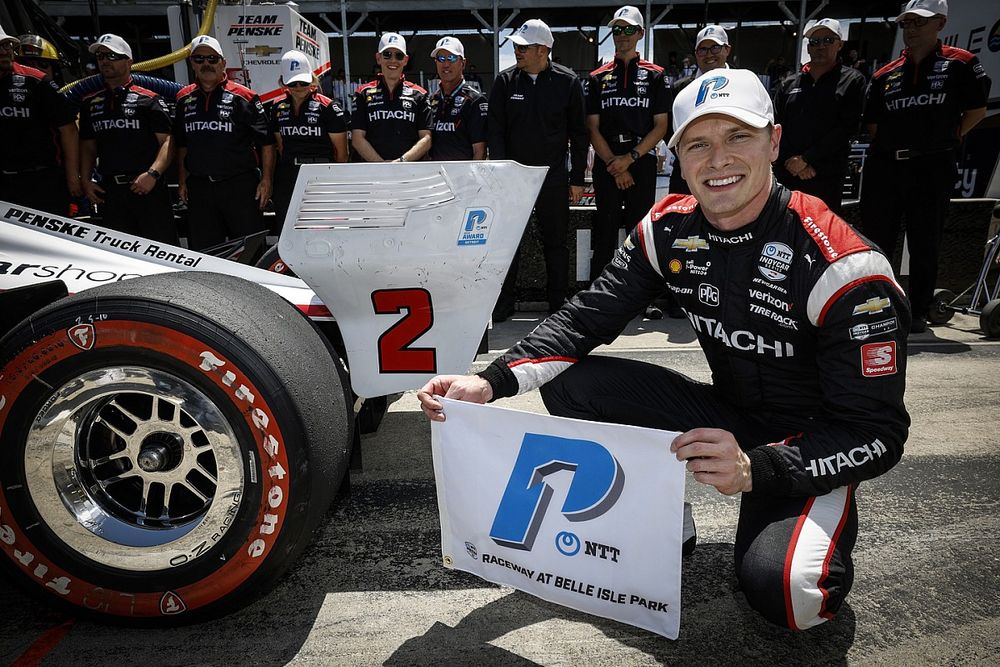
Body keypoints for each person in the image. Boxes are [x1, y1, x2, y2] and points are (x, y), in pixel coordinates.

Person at [418, 68, 911, 631]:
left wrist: (759, 468)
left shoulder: (846, 267)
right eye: (698, 144)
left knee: (790, 600)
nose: (718, 159)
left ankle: (802, 516)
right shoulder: (666, 229)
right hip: (725, 415)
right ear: (677, 156)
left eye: (738, 137)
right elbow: (585, 318)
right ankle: (662, 523)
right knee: (567, 379)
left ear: (774, 141)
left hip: (811, 441)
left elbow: (877, 433)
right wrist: (491, 381)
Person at [860, 0, 990, 334]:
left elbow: (976, 110)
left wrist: (945, 138)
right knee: (877, 241)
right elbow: (873, 124)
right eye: (907, 24)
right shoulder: (883, 74)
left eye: (920, 22)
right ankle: (878, 304)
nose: (912, 30)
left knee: (924, 241)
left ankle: (916, 311)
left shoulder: (961, 64)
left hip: (932, 166)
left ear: (940, 23)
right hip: (887, 167)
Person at [487, 19, 588, 320]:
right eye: (516, 46)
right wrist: (503, 174)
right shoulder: (504, 82)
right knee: (509, 244)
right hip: (514, 178)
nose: (517, 50)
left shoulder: (568, 82)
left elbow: (579, 135)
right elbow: (496, 132)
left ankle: (558, 304)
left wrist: (577, 179)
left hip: (552, 177)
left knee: (556, 243)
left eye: (523, 46)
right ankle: (503, 305)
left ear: (543, 50)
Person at [585, 6, 670, 287]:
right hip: (608, 163)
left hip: (640, 161)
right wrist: (615, 164)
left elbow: (661, 126)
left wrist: (630, 159)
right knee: (605, 229)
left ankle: (642, 293)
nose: (622, 35)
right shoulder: (597, 76)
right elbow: (592, 127)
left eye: (628, 29)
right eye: (617, 30)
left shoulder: (655, 75)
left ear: (640, 33)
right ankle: (598, 292)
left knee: (640, 230)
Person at [173, 35, 275, 250]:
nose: (206, 64)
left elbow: (266, 143)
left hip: (240, 185)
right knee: (205, 251)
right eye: (199, 59)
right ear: (192, 63)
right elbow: (181, 144)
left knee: (251, 248)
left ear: (223, 63)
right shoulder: (183, 98)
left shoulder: (244, 97)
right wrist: (183, 180)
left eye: (212, 58)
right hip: (200, 187)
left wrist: (266, 181)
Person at [79, 34, 177, 243]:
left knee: (161, 250)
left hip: (147, 188)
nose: (105, 61)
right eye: (101, 56)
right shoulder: (90, 103)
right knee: (116, 254)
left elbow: (168, 142)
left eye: (113, 56)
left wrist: (152, 174)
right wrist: (86, 180)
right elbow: (88, 146)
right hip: (110, 191)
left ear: (128, 62)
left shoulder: (149, 100)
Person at [772, 19, 866, 216]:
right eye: (815, 42)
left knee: (823, 237)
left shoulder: (853, 81)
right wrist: (793, 161)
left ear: (840, 44)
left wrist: (807, 159)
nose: (820, 46)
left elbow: (846, 128)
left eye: (828, 40)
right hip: (789, 174)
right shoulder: (788, 84)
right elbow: (776, 127)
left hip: (826, 177)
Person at [0, 24, 80, 215]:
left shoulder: (37, 81)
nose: (5, 51)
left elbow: (68, 129)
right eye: (0, 47)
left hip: (41, 179)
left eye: (8, 46)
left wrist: (72, 177)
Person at [268, 50, 349, 233]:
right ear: (283, 82)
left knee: (322, 230)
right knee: (288, 229)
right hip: (288, 176)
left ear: (311, 80)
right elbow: (280, 146)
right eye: (292, 82)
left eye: (303, 82)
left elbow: (342, 154)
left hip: (320, 176)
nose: (298, 87)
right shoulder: (276, 107)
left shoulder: (328, 107)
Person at [668, 25, 732, 197]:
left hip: (731, 169)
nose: (709, 54)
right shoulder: (679, 88)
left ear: (727, 49)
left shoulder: (743, 83)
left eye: (715, 47)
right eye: (703, 49)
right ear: (696, 54)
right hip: (687, 172)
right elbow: (669, 130)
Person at [351, 33, 432, 163]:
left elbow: (426, 139)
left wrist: (401, 162)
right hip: (373, 171)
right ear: (378, 58)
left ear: (405, 60)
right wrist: (382, 165)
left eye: (398, 55)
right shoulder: (363, 93)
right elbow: (357, 138)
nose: (393, 60)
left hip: (409, 171)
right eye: (387, 54)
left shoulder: (420, 94)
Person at [428, 36, 487, 161]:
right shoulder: (431, 100)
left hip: (464, 177)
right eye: (441, 58)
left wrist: (471, 180)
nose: (446, 64)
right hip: (436, 176)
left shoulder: (475, 101)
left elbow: (480, 151)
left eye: (452, 58)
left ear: (463, 63)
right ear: (436, 63)